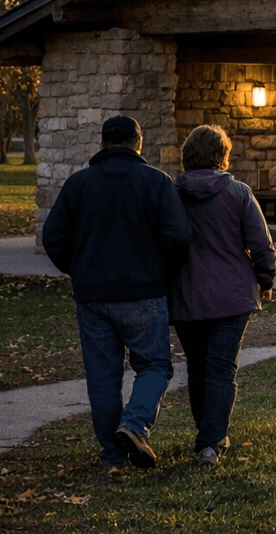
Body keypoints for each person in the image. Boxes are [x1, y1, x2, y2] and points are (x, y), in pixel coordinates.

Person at [42, 115, 191, 471]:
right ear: (138, 143)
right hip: (143, 293)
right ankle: (135, 424)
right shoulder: (155, 182)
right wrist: (160, 271)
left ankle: (112, 455)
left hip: (93, 296)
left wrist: (77, 269)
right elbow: (179, 237)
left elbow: (53, 237)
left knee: (103, 376)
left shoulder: (78, 184)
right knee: (154, 364)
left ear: (104, 143)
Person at [171, 125, 276, 465]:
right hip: (233, 294)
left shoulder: (171, 195)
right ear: (223, 156)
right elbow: (260, 242)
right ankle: (211, 442)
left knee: (198, 368)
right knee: (221, 368)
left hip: (185, 292)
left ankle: (207, 434)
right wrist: (266, 277)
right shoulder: (239, 193)